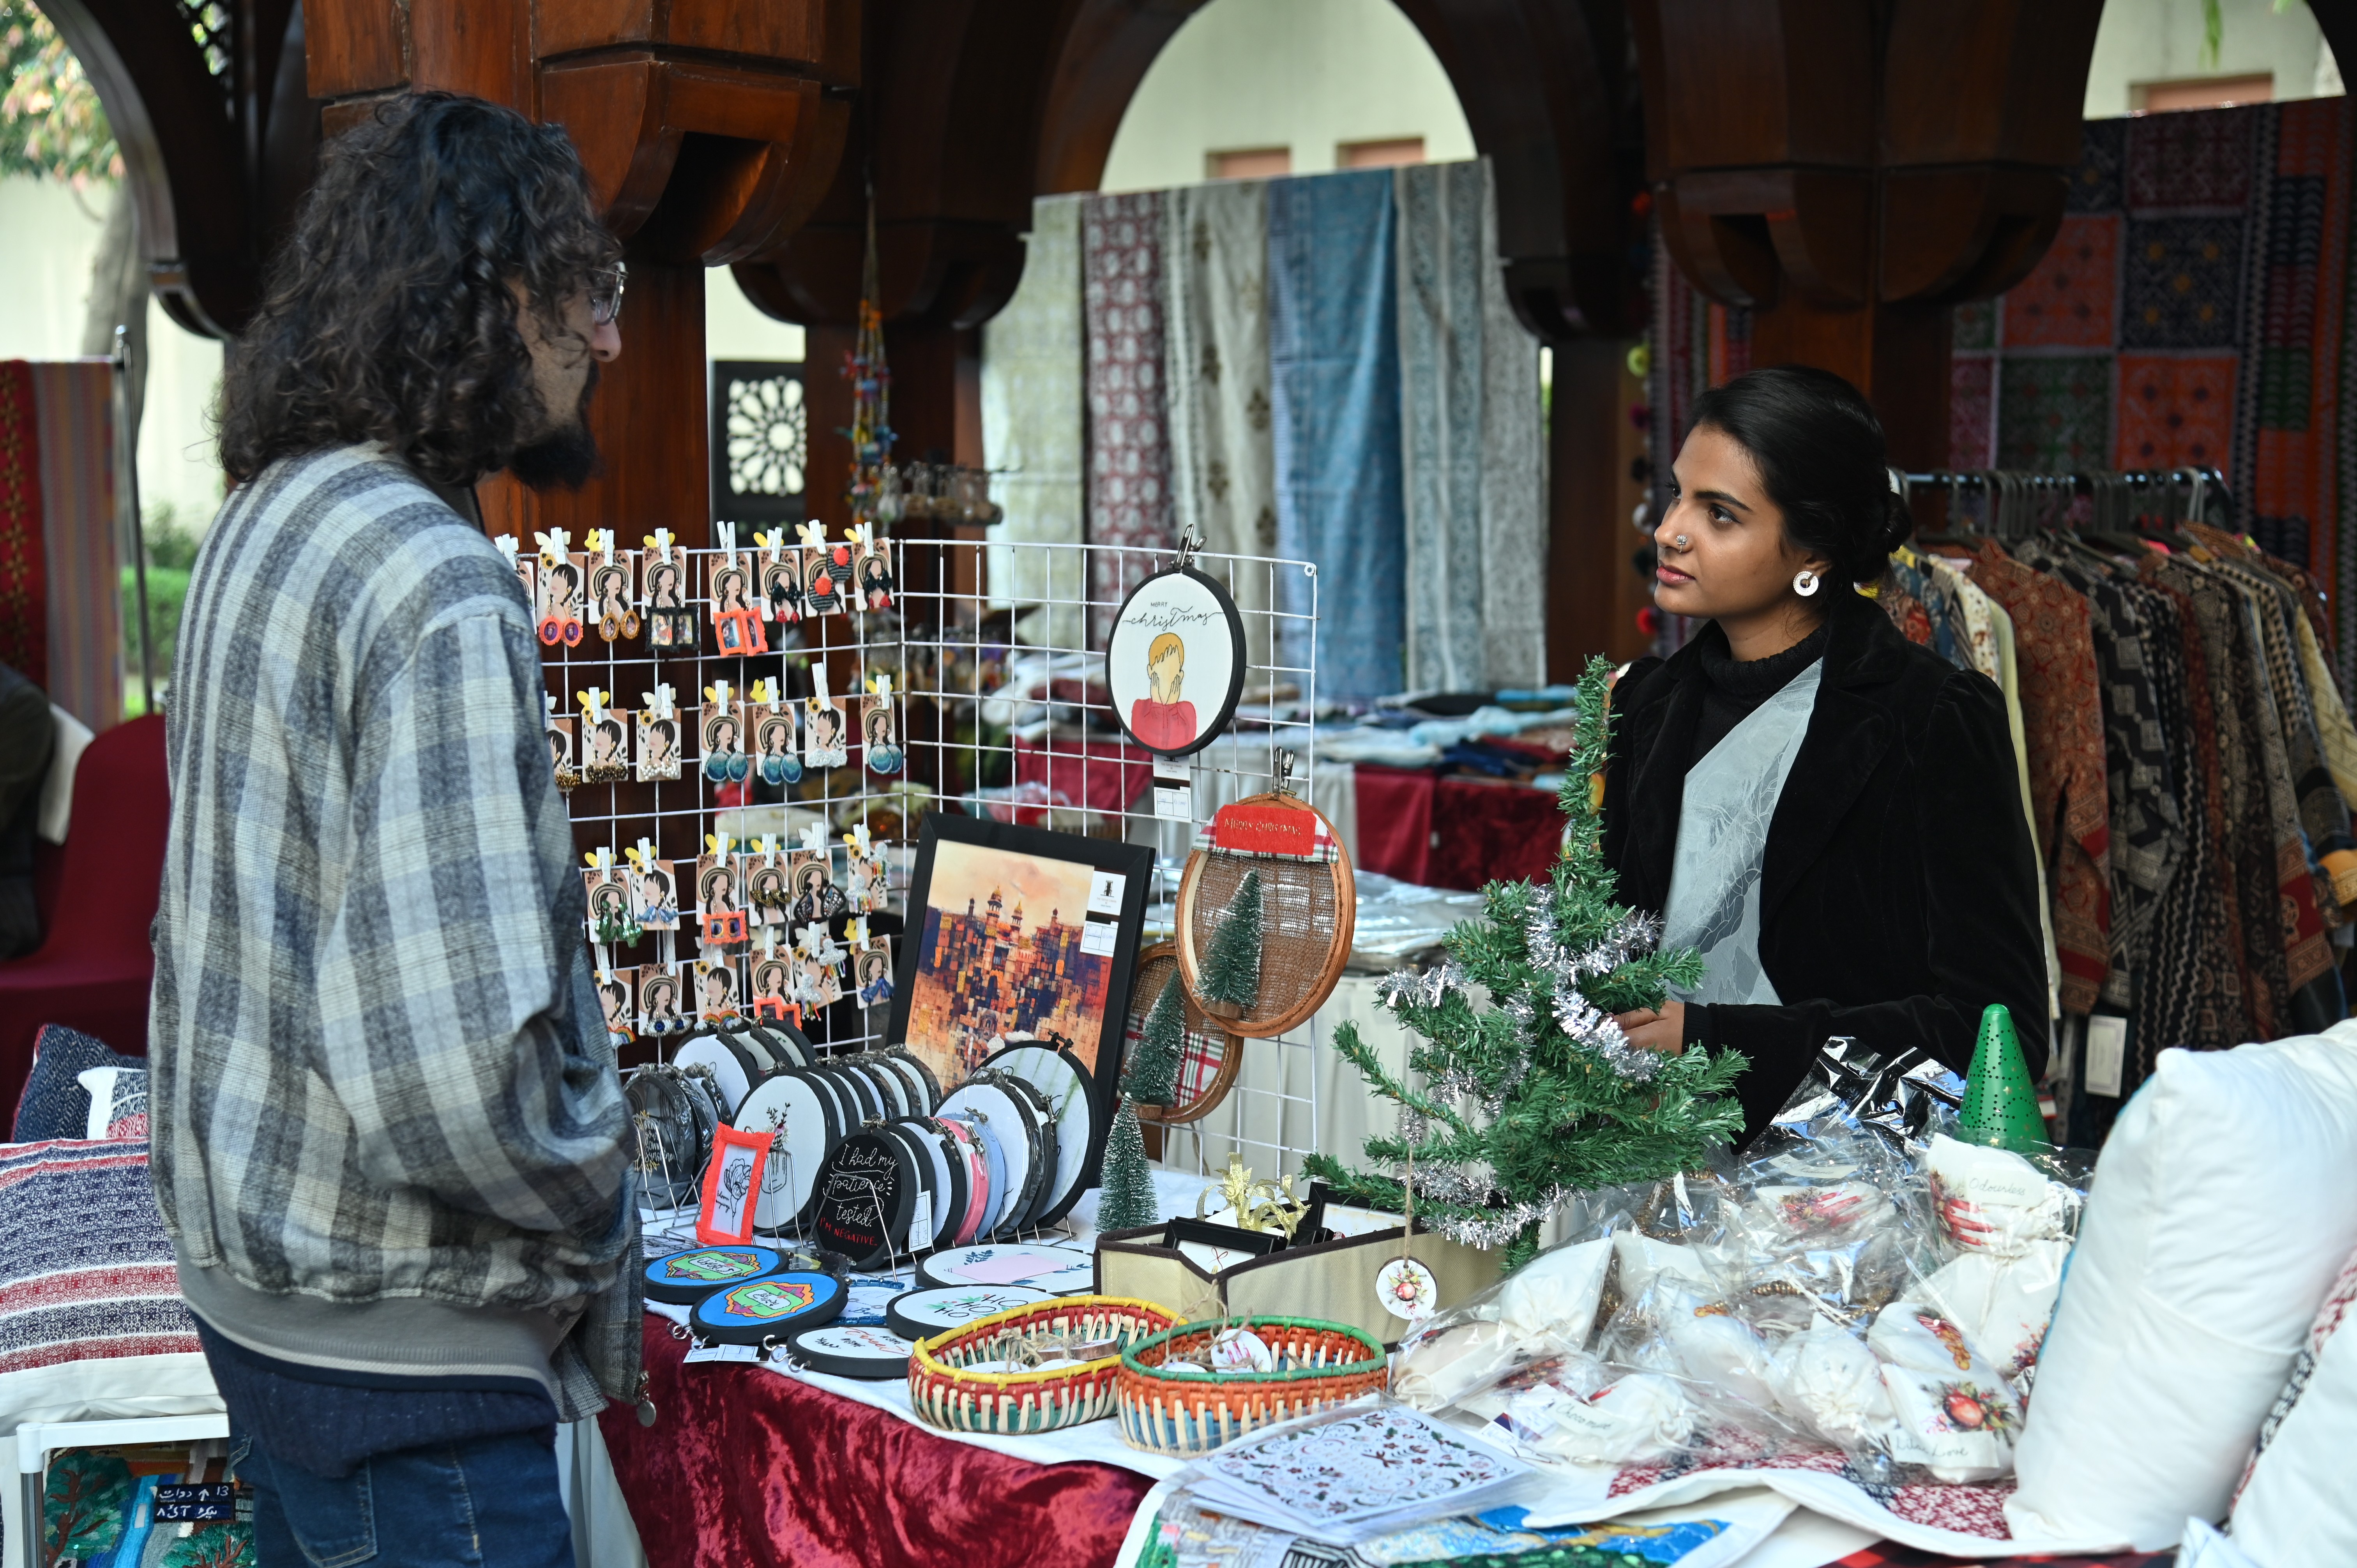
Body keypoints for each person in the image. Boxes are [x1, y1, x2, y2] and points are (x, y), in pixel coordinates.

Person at [151, 93, 633, 1566]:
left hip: (263, 1299)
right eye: (585, 294)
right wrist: (604, 1168)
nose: (607, 340)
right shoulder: (434, 583)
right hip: (397, 1362)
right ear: (492, 302)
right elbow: (448, 1079)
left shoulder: (272, 508)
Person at [1599, 366, 2048, 1145]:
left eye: (1721, 514)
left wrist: (1717, 1038)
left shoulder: (1930, 717)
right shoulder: (1647, 702)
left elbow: (1996, 1035)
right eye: (1677, 496)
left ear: (1814, 548)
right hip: (1642, 1159)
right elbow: (1613, 940)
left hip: (1846, 1197)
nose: (1672, 529)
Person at [1129, 631, 1198, 751]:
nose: (1166, 674)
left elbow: (1182, 743)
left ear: (1180, 675)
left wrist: (1172, 707)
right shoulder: (1140, 708)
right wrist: (1157, 706)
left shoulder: (1188, 711)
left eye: (1172, 668)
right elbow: (1144, 739)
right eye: (1161, 666)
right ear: (1150, 671)